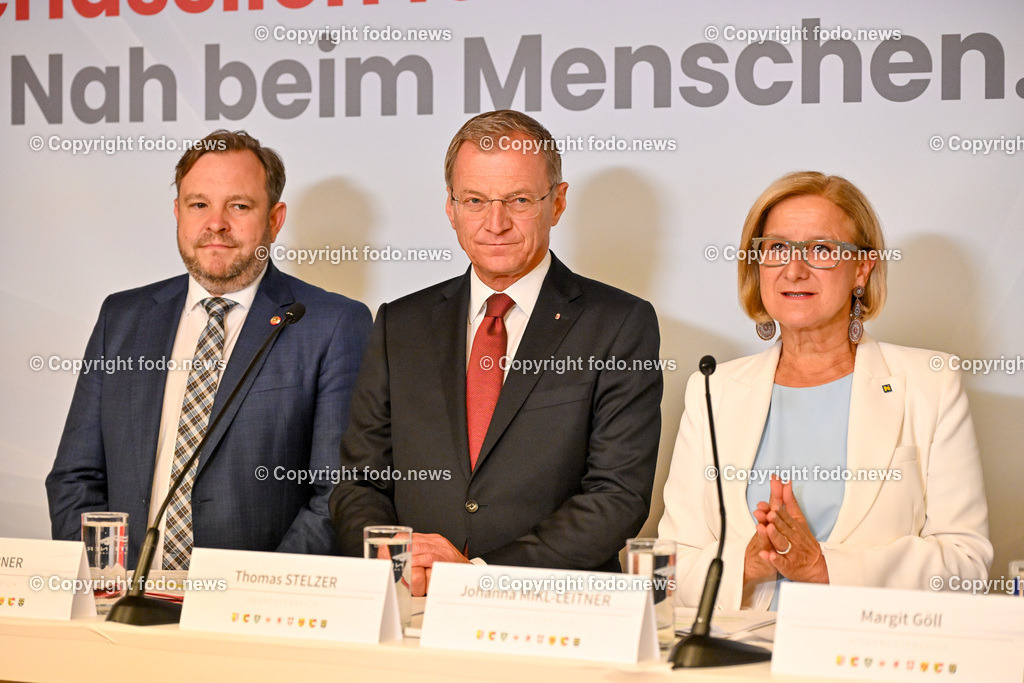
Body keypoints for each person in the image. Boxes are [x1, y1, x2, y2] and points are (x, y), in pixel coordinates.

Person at [329, 110, 663, 593]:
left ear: (558, 202)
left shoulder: (619, 324)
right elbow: (361, 483)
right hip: (411, 604)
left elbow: (617, 496)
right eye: (475, 200)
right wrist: (399, 560)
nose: (496, 223)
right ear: (450, 207)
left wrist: (479, 577)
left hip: (551, 610)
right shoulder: (399, 324)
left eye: (519, 200)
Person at [659, 171, 992, 610]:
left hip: (865, 646)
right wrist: (747, 564)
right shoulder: (713, 389)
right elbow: (668, 568)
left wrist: (822, 567)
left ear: (862, 268)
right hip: (736, 649)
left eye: (821, 250)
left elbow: (967, 564)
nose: (794, 270)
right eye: (777, 248)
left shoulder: (930, 382)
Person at [46, 130, 373, 569]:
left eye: (238, 206)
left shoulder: (332, 324)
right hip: (125, 599)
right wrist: (102, 582)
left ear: (274, 220)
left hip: (254, 602)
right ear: (177, 213)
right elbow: (75, 477)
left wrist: (257, 592)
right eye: (199, 204)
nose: (216, 223)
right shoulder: (121, 319)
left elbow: (336, 493)